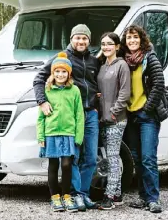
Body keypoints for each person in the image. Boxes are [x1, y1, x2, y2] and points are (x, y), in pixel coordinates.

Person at [33, 24, 100, 211]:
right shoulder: (62, 58)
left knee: (91, 158)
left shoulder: (94, 60)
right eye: (77, 37)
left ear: (89, 40)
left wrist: (98, 100)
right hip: (69, 117)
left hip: (90, 113)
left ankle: (83, 194)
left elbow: (97, 83)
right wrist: (42, 102)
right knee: (73, 159)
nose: (81, 41)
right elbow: (39, 79)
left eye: (84, 38)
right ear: (71, 39)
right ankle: (73, 195)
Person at [121, 24, 165, 214]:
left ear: (141, 39)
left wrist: (147, 109)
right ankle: (143, 197)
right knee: (137, 158)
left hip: (147, 116)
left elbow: (159, 85)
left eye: (135, 37)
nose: (132, 41)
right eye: (129, 38)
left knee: (148, 158)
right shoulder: (125, 61)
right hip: (131, 115)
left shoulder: (149, 58)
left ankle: (153, 199)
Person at [36, 52, 84, 212]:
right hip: (51, 134)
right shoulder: (47, 90)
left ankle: (67, 196)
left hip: (68, 133)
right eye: (57, 71)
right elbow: (41, 117)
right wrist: (40, 136)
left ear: (69, 73)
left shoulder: (74, 90)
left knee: (67, 165)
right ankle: (55, 198)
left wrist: (79, 136)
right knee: (53, 165)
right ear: (53, 73)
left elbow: (79, 115)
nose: (60, 74)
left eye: (64, 71)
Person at [96, 32, 131, 210]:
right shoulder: (102, 66)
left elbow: (125, 93)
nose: (106, 47)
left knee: (113, 157)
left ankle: (109, 197)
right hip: (102, 119)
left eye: (110, 44)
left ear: (117, 46)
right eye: (103, 44)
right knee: (110, 156)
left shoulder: (122, 65)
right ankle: (117, 196)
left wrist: (114, 112)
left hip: (116, 119)